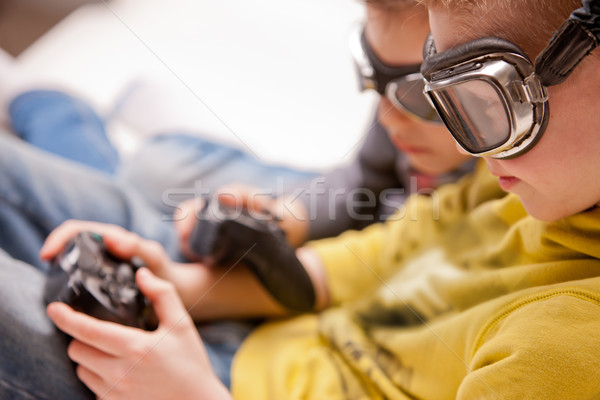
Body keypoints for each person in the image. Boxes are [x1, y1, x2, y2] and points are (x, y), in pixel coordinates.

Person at [7, 0, 600, 399]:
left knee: (151, 173)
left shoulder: (563, 351)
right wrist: (183, 286)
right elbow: (377, 252)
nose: (471, 146)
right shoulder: (526, 188)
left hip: (221, 383)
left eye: (490, 100)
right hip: (272, 333)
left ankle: (54, 108)